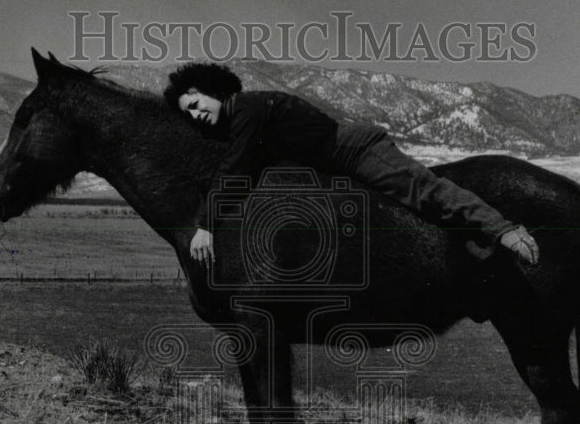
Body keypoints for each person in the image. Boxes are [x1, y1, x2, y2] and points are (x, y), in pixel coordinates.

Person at [163, 63, 539, 270]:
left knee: (420, 189)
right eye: (189, 115)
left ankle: (503, 230)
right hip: (332, 166)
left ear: (211, 90)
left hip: (354, 151)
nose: (197, 115)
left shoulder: (247, 109)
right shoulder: (239, 120)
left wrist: (207, 227)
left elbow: (236, 168)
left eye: (196, 104)